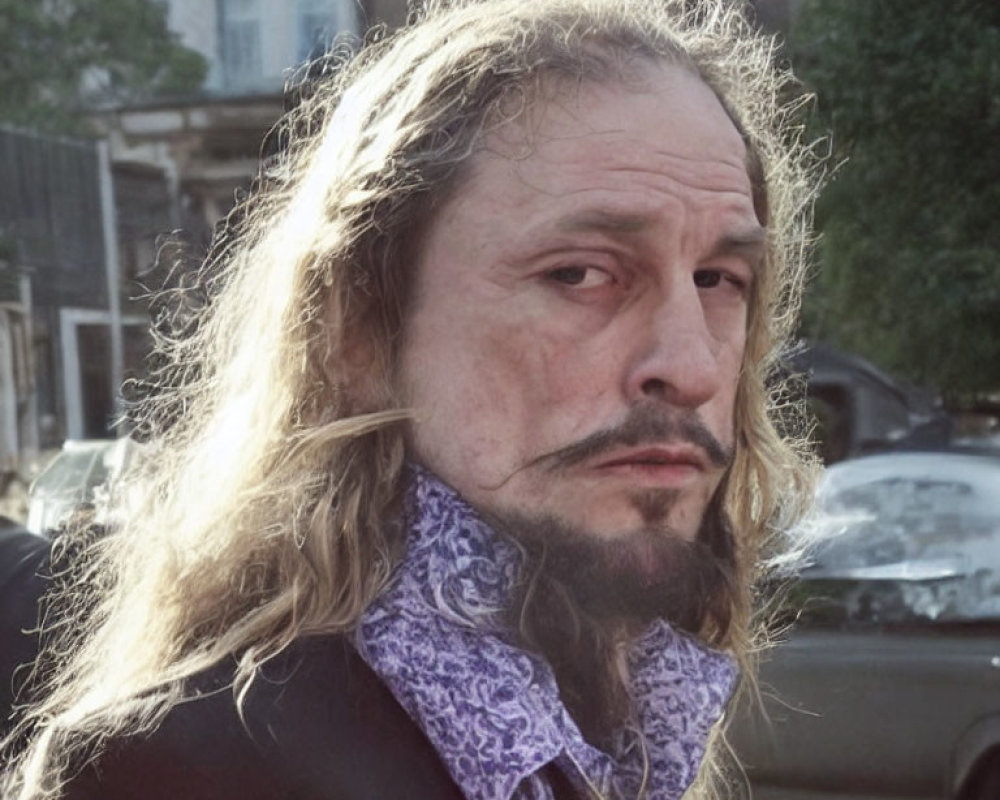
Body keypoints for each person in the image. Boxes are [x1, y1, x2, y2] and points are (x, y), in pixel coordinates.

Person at [0, 0, 819, 797]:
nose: (692, 367)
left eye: (719, 279)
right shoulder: (191, 767)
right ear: (357, 332)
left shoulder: (631, 724)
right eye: (581, 274)